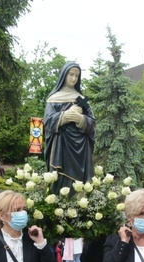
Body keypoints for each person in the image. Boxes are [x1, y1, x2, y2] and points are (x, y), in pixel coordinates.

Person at [44, 62, 96, 193]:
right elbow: (48, 122)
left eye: (77, 75)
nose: (74, 78)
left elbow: (92, 124)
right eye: (71, 74)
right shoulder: (54, 98)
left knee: (80, 183)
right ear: (64, 75)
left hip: (82, 149)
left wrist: (80, 119)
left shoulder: (82, 99)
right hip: (62, 147)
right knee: (61, 181)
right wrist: (66, 116)